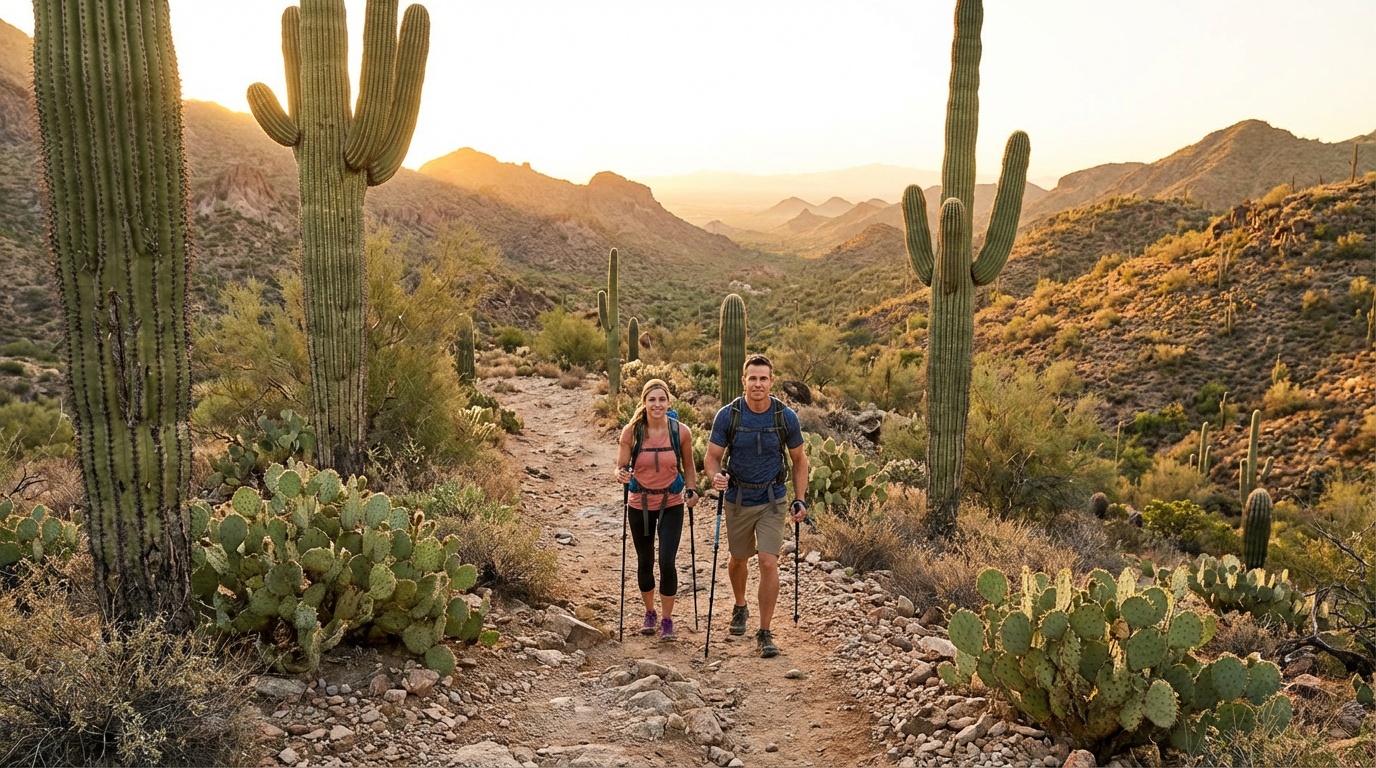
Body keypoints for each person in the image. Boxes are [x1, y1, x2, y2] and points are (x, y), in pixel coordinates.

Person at [704, 354, 808, 658]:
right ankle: (740, 605)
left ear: (772, 381)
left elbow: (799, 460)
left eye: (763, 378)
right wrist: (714, 476)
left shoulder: (784, 416)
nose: (758, 384)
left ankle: (764, 632)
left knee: (768, 561)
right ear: (744, 381)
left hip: (772, 499)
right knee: (738, 559)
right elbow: (712, 457)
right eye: (753, 378)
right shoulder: (729, 415)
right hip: (738, 498)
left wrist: (799, 498)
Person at [616, 379, 699, 641]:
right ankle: (649, 612)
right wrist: (621, 474)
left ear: (669, 402)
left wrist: (692, 490)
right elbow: (620, 465)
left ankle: (666, 619)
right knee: (645, 561)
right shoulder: (631, 432)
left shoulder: (680, 431)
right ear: (644, 402)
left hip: (672, 502)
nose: (657, 404)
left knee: (667, 561)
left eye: (662, 399)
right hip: (639, 503)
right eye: (652, 399)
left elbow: (689, 467)